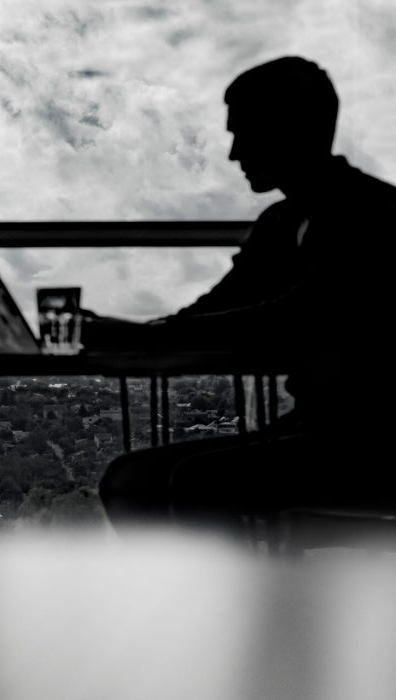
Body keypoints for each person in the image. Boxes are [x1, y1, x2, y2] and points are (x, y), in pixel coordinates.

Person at [90, 56, 396, 534]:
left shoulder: (372, 216)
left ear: (287, 129)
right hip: (326, 433)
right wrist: (148, 334)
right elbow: (223, 310)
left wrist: (145, 336)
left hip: (373, 444)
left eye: (243, 133)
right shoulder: (286, 222)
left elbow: (291, 316)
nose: (233, 154)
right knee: (132, 479)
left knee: (181, 482)